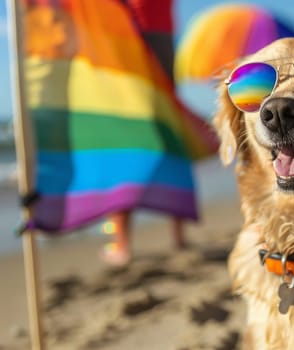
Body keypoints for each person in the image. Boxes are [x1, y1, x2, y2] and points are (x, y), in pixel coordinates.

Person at [100, 0, 187, 266]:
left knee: (126, 142)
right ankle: (178, 236)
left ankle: (123, 244)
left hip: (133, 37)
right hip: (159, 37)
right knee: (167, 136)